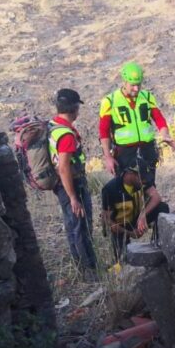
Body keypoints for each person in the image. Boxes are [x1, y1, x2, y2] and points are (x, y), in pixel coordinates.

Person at [98, 62, 175, 184]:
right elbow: (103, 132)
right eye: (133, 85)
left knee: (149, 187)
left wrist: (165, 134)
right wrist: (108, 157)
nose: (136, 89)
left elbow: (159, 119)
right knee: (127, 192)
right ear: (124, 82)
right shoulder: (110, 101)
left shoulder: (147, 97)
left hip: (147, 149)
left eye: (139, 85)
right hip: (124, 153)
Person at [50, 88, 98, 277]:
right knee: (81, 228)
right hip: (72, 185)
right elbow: (64, 167)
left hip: (61, 185)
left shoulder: (52, 126)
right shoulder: (66, 135)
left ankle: (80, 267)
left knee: (72, 226)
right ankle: (90, 271)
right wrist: (73, 197)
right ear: (74, 108)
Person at [100, 163, 170, 263]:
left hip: (137, 218)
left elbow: (156, 197)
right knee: (123, 261)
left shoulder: (143, 182)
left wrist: (143, 215)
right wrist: (130, 233)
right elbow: (107, 220)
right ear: (129, 174)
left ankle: (158, 244)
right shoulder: (110, 189)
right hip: (121, 227)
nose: (144, 180)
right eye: (141, 176)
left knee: (162, 207)